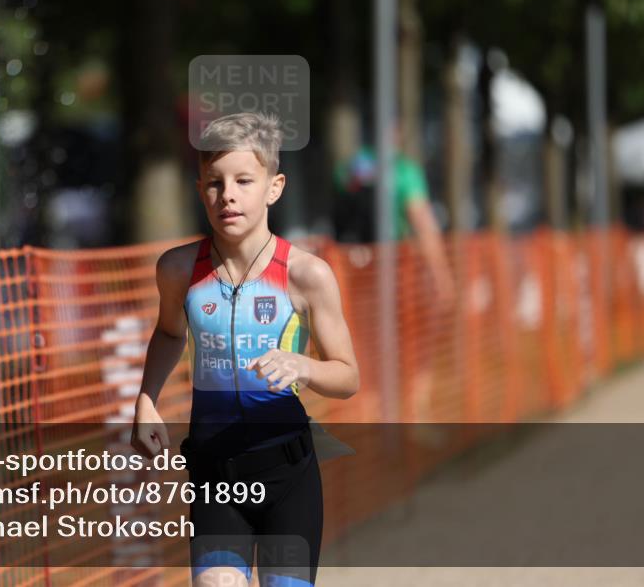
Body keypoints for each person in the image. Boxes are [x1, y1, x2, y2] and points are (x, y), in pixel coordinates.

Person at [132, 111, 360, 587]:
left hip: (288, 477)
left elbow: (347, 376)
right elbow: (171, 333)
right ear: (200, 190)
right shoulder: (178, 270)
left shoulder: (306, 275)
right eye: (214, 183)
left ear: (274, 187)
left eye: (243, 180)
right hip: (215, 477)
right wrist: (146, 400)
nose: (228, 195)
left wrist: (303, 365)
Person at [334, 120, 455, 430]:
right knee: (416, 344)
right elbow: (423, 222)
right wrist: (441, 275)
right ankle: (416, 417)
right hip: (399, 274)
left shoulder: (354, 166)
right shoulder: (405, 171)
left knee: (368, 349)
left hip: (357, 274)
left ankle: (373, 421)